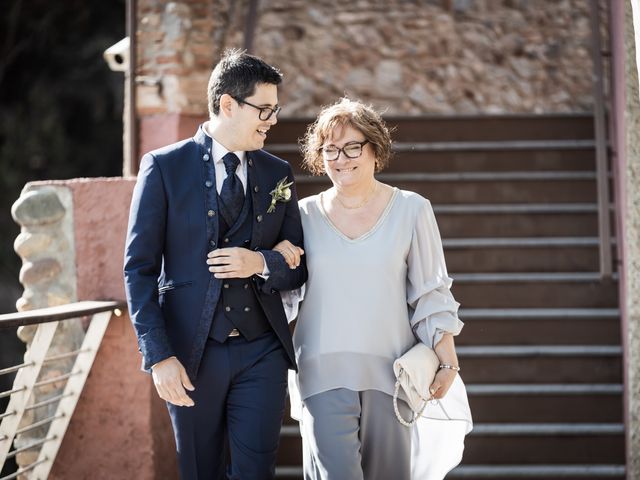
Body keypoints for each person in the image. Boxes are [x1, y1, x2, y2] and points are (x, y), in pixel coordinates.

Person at [123, 49, 307, 480]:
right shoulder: (165, 168)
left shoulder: (277, 173)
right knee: (200, 471)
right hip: (189, 355)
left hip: (262, 352)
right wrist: (158, 356)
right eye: (265, 109)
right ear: (228, 104)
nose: (273, 120)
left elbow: (298, 266)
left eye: (275, 109)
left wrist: (259, 262)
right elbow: (139, 269)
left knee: (255, 473)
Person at [275, 98, 472, 479]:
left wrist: (447, 360)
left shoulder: (413, 209)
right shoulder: (301, 215)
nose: (341, 158)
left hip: (393, 373)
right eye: (330, 149)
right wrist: (274, 258)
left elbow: (430, 292)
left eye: (352, 147)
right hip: (320, 370)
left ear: (375, 149)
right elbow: (285, 297)